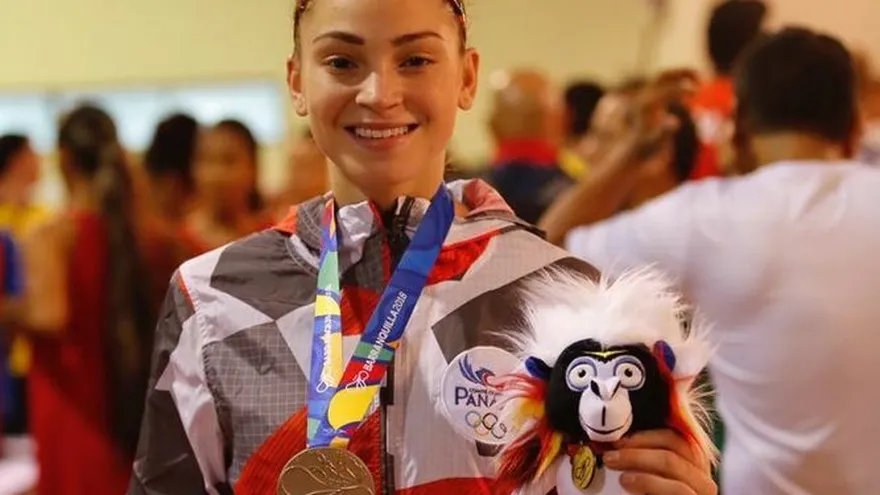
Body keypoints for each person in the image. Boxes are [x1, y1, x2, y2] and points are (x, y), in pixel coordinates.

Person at [127, 1, 717, 494]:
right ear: (297, 82)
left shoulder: (572, 301)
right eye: (342, 61)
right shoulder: (211, 297)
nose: (380, 94)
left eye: (414, 59)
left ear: (465, 77)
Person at [560, 27, 880, 495]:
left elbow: (552, 245)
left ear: (741, 122)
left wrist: (631, 151)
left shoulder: (708, 217)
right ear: (854, 125)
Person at [0, 105, 155, 494]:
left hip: (67, 395)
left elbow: (51, 315)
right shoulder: (136, 233)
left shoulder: (52, 233)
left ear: (64, 160)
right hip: (118, 394)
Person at [180, 119, 273, 253]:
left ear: (253, 167)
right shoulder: (178, 244)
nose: (216, 175)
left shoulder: (273, 235)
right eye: (206, 160)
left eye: (229, 160)